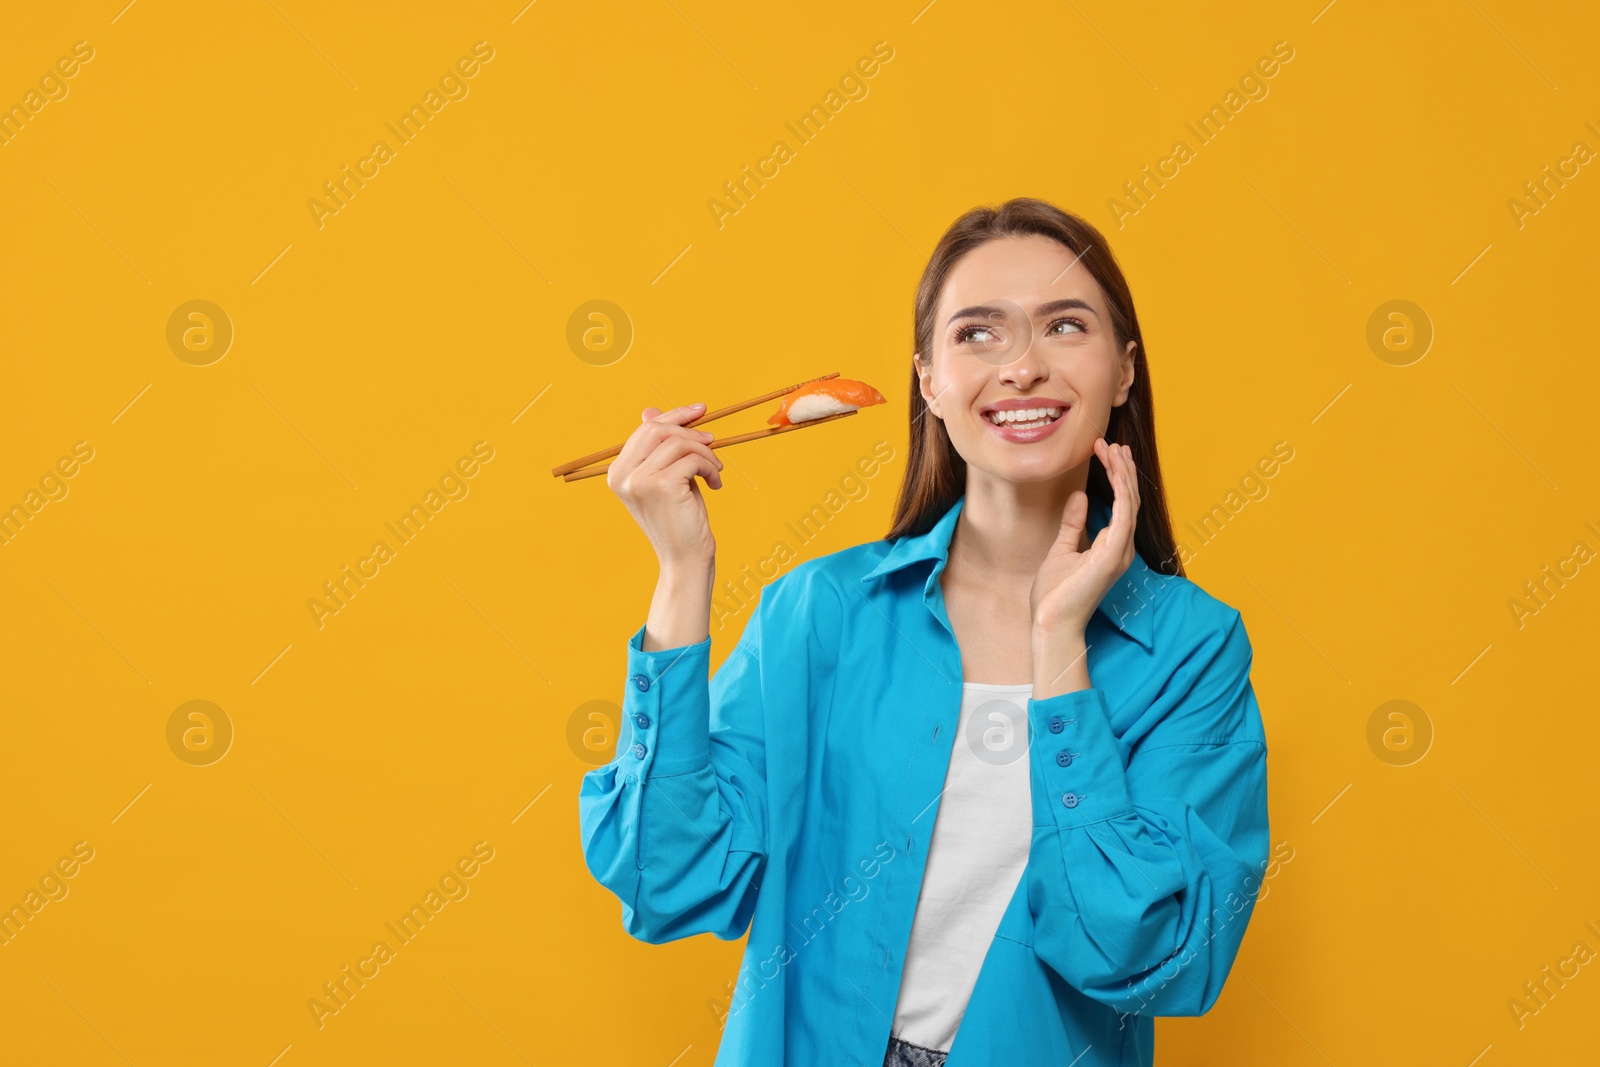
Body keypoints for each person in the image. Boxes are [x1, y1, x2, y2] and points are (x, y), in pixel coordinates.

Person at [579, 197, 1271, 1066]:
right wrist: (681, 577)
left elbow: (1142, 956)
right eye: (978, 334)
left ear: (1123, 371)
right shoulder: (818, 612)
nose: (1022, 366)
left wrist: (1060, 649)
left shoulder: (1193, 649)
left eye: (1064, 325)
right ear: (929, 381)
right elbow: (669, 880)